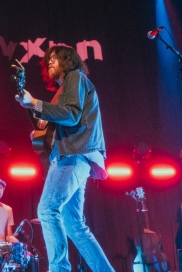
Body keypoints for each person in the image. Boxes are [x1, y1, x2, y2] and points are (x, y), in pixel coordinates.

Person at [15, 45, 114, 272]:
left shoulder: (73, 77)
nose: (50, 61)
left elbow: (71, 115)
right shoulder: (64, 90)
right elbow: (60, 121)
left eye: (55, 57)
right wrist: (37, 120)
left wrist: (35, 103)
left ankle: (59, 269)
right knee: (75, 225)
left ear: (68, 60)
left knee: (48, 210)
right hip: (79, 155)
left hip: (72, 154)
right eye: (48, 59)